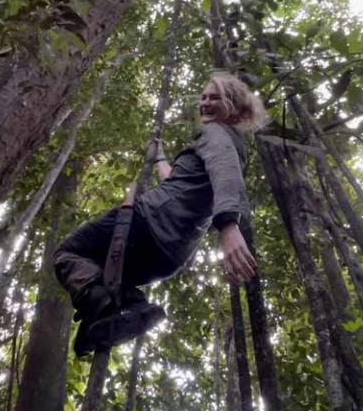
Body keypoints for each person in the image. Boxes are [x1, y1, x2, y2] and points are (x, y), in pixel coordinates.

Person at [53, 73, 269, 356]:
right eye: (203, 97)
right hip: (169, 255)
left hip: (145, 223)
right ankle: (127, 307)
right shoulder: (228, 145)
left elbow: (224, 173)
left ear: (234, 107)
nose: (204, 103)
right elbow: (177, 182)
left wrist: (229, 226)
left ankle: (102, 305)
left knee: (67, 253)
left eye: (214, 97)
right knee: (108, 277)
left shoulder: (216, 134)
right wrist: (159, 157)